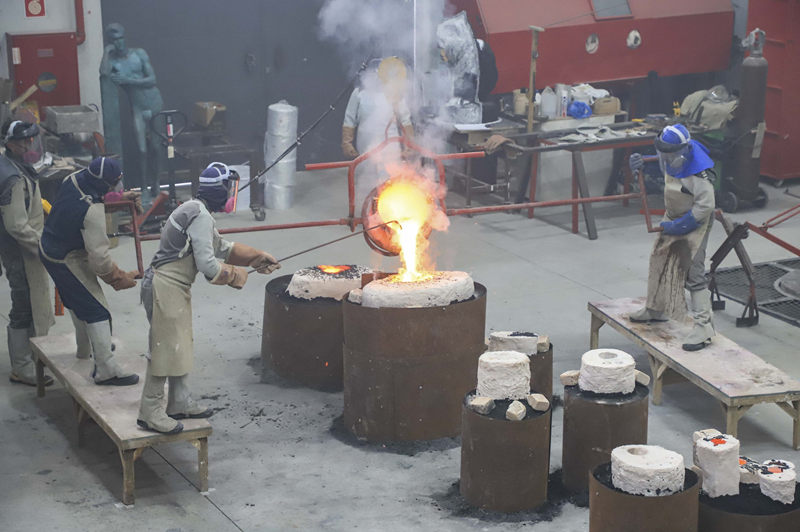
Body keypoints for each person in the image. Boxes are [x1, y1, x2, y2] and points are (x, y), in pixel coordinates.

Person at [137, 163, 280, 434]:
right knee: (165, 349)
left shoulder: (196, 208)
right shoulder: (199, 215)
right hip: (165, 287)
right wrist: (236, 275)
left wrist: (256, 257)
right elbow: (208, 266)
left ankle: (179, 402)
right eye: (229, 188)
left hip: (173, 287)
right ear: (220, 190)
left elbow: (219, 246)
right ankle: (150, 412)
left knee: (179, 345)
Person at [39, 157, 141, 385]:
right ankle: (106, 370)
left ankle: (85, 349)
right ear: (104, 184)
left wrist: (116, 199)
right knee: (97, 309)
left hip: (49, 246)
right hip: (66, 257)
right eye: (115, 183)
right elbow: (100, 260)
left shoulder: (73, 178)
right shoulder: (91, 212)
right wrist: (119, 278)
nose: (118, 186)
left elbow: (85, 201)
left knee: (77, 302)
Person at [628, 124, 716, 351]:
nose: (665, 159)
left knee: (693, 271)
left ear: (683, 150)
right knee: (660, 258)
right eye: (662, 154)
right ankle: (656, 309)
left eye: (669, 155)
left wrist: (683, 225)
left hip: (696, 220)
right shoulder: (672, 158)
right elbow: (664, 167)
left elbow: (706, 205)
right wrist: (641, 164)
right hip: (674, 215)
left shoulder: (699, 173)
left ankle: (704, 327)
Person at [0, 120, 55, 386]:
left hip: (27, 249)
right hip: (20, 252)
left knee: (34, 304)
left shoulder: (17, 167)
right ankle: (21, 367)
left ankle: (33, 358)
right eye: (24, 142)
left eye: (32, 140)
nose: (30, 146)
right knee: (23, 306)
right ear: (10, 145)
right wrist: (43, 247)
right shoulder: (12, 177)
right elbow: (16, 226)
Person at [100, 23, 164, 203]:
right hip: (137, 106)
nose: (119, 42)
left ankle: (157, 183)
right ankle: (143, 187)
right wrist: (106, 52)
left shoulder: (139, 54)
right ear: (110, 41)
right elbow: (103, 74)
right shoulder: (113, 62)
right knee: (141, 149)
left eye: (121, 38)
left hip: (154, 102)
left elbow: (152, 80)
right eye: (115, 40)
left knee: (156, 147)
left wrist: (128, 80)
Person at [342, 58, 414, 164]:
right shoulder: (359, 93)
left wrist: (409, 145)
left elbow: (405, 120)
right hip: (366, 144)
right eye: (373, 73)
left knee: (392, 171)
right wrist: (347, 143)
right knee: (367, 171)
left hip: (391, 145)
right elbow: (349, 120)